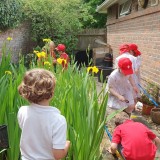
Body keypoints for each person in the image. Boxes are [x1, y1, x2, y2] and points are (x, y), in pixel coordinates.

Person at [17, 68, 70, 160]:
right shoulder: (58, 120)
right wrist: (66, 145)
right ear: (52, 93)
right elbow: (58, 155)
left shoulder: (22, 111)